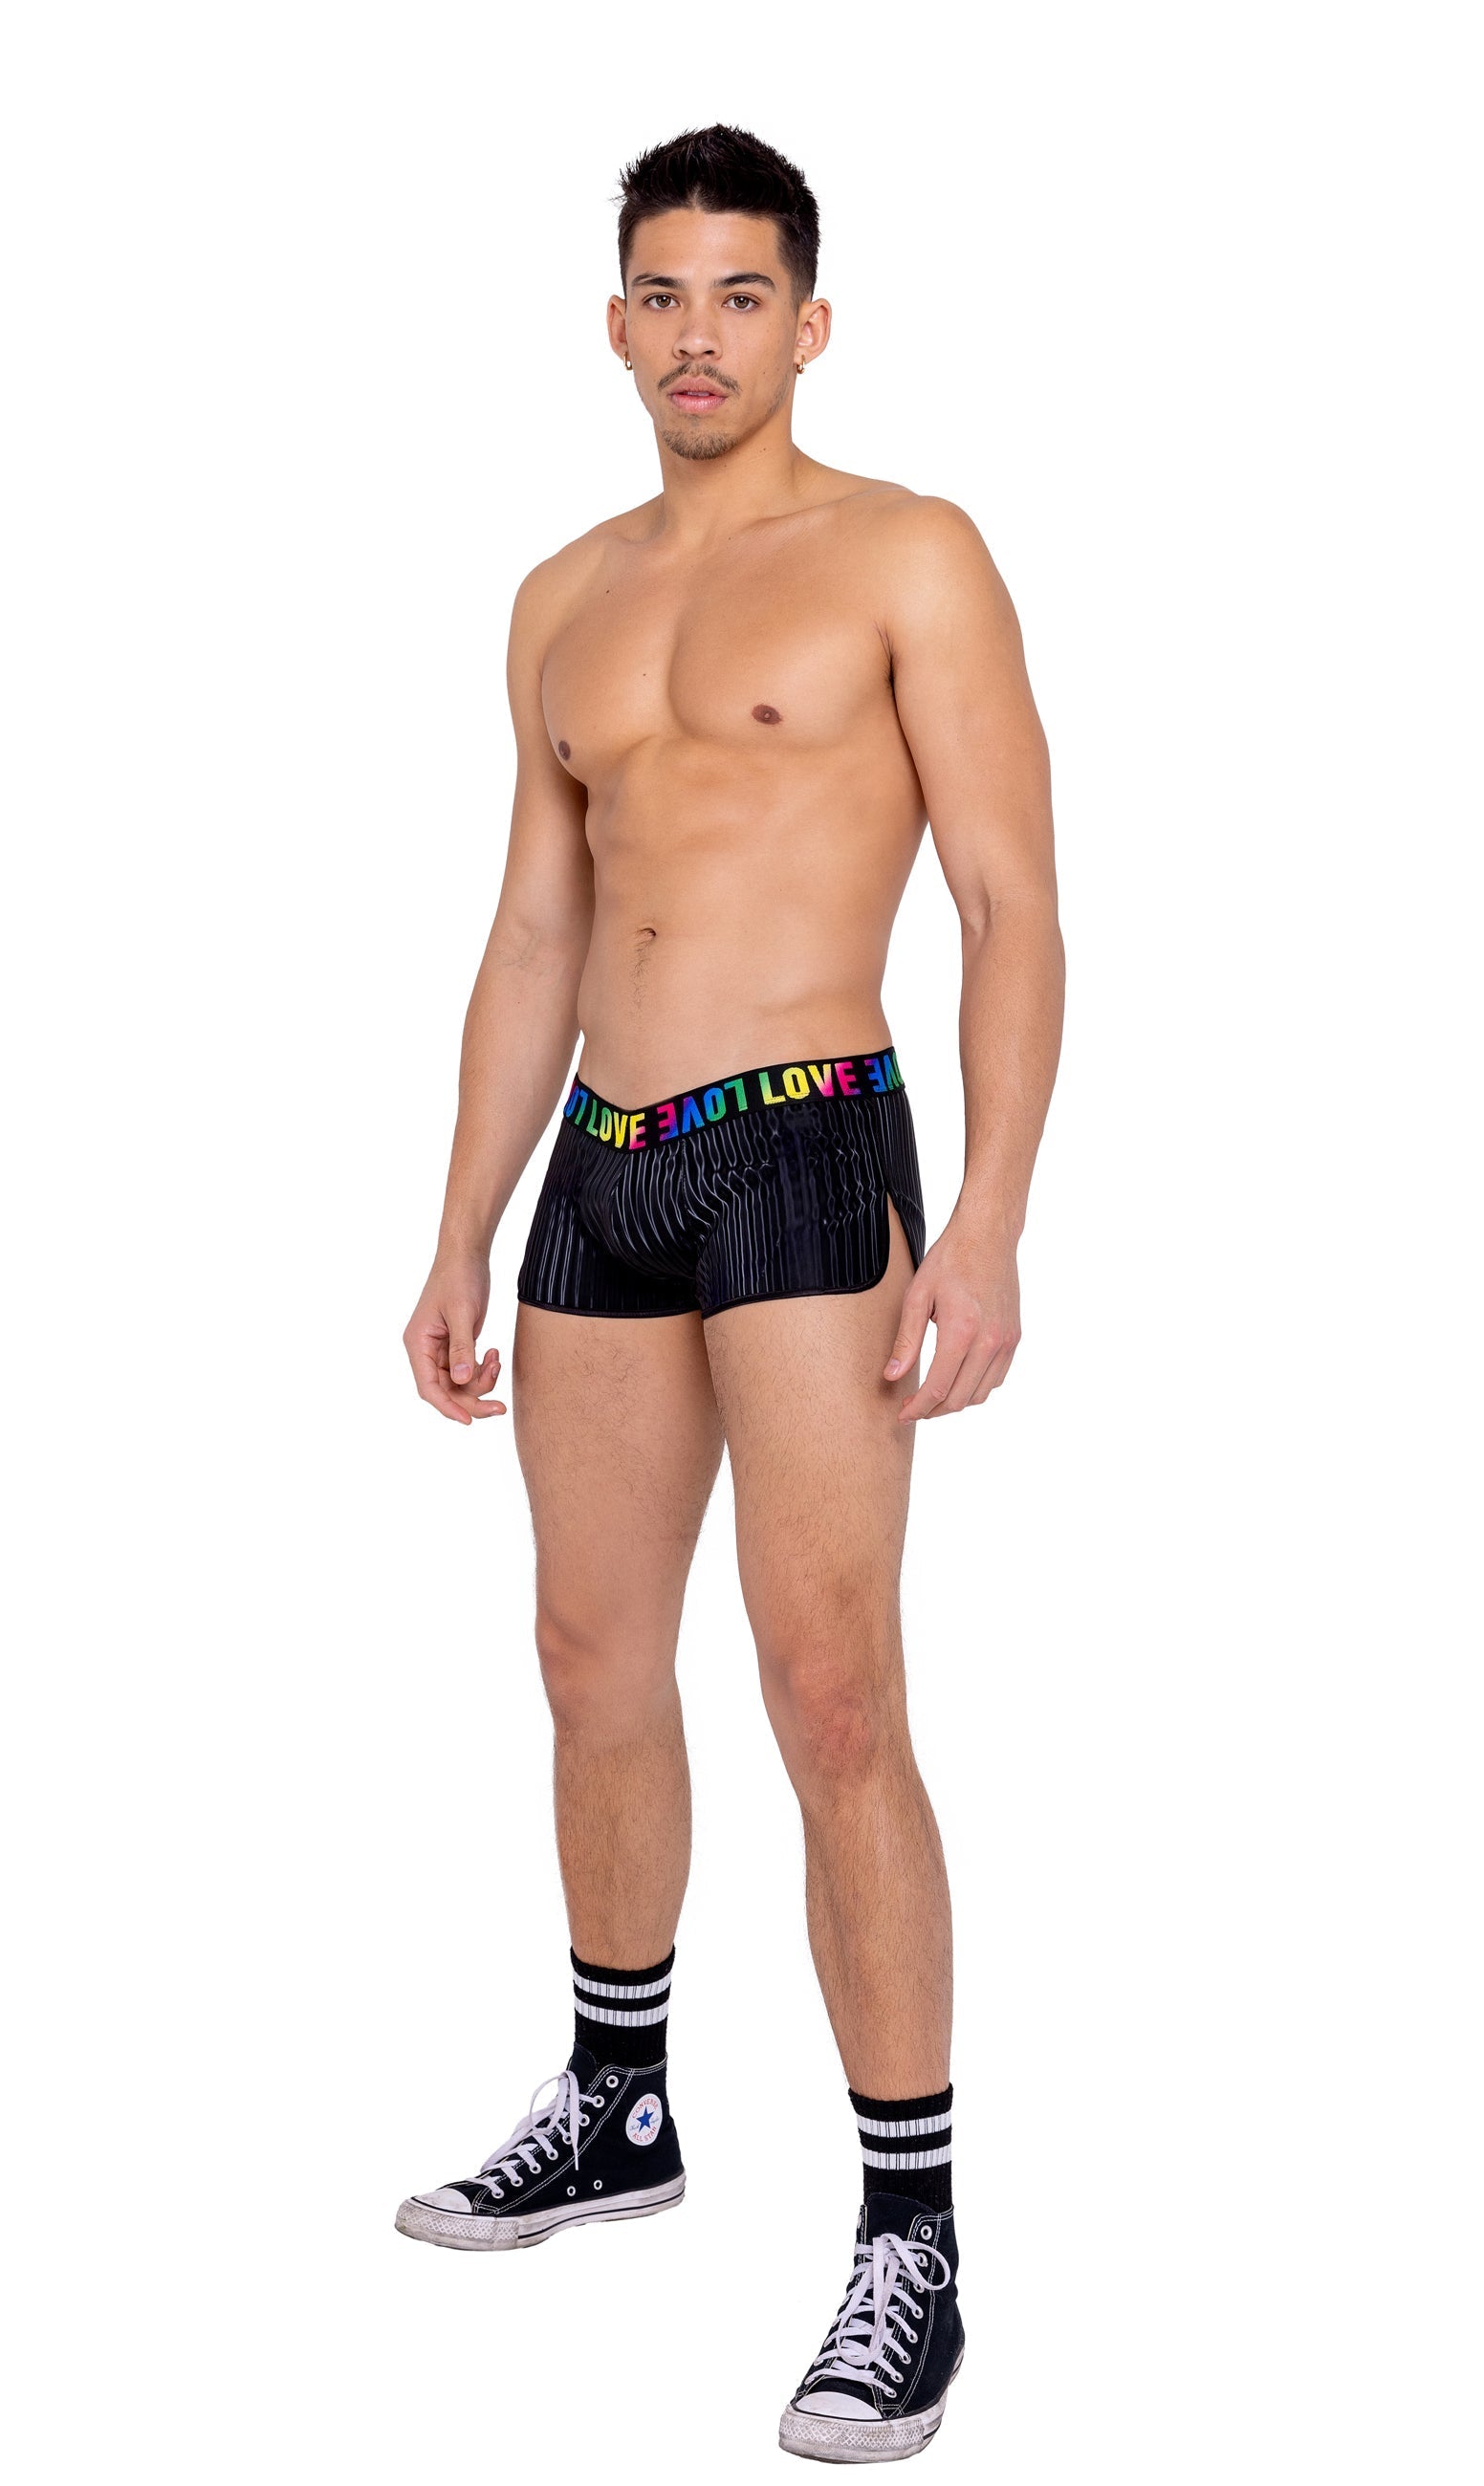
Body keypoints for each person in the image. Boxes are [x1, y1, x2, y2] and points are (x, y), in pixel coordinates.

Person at [396, 123, 1063, 2465]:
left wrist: (986, 1219)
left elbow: (1008, 901)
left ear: (808, 321)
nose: (699, 335)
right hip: (605, 1167)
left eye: (740, 294)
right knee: (587, 1657)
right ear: (615, 323)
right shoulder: (559, 599)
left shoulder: (903, 553)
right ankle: (618, 2101)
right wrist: (458, 1222)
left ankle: (908, 2236)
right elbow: (534, 931)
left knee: (829, 1688)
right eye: (662, 294)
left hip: (805, 1142)